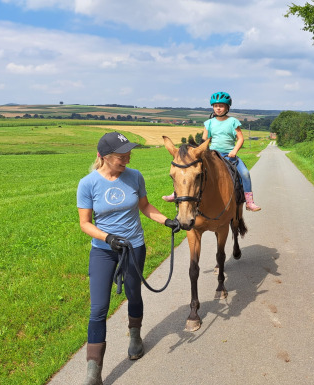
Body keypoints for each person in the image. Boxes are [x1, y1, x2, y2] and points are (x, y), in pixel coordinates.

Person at [77, 132, 180, 385]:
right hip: (103, 250)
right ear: (104, 157)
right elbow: (85, 224)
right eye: (121, 157)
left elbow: (145, 206)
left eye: (129, 155)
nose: (127, 159)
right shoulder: (88, 183)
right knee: (99, 308)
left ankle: (135, 335)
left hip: (134, 247)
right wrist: (108, 238)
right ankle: (93, 371)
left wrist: (166, 220)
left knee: (134, 294)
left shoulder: (135, 176)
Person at [163, 91, 261, 211]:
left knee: (245, 173)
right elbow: (204, 141)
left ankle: (249, 202)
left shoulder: (233, 122)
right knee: (189, 171)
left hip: (229, 154)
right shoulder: (209, 123)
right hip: (213, 154)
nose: (218, 108)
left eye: (221, 106)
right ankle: (176, 194)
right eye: (215, 106)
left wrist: (234, 151)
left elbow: (240, 139)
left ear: (227, 107)